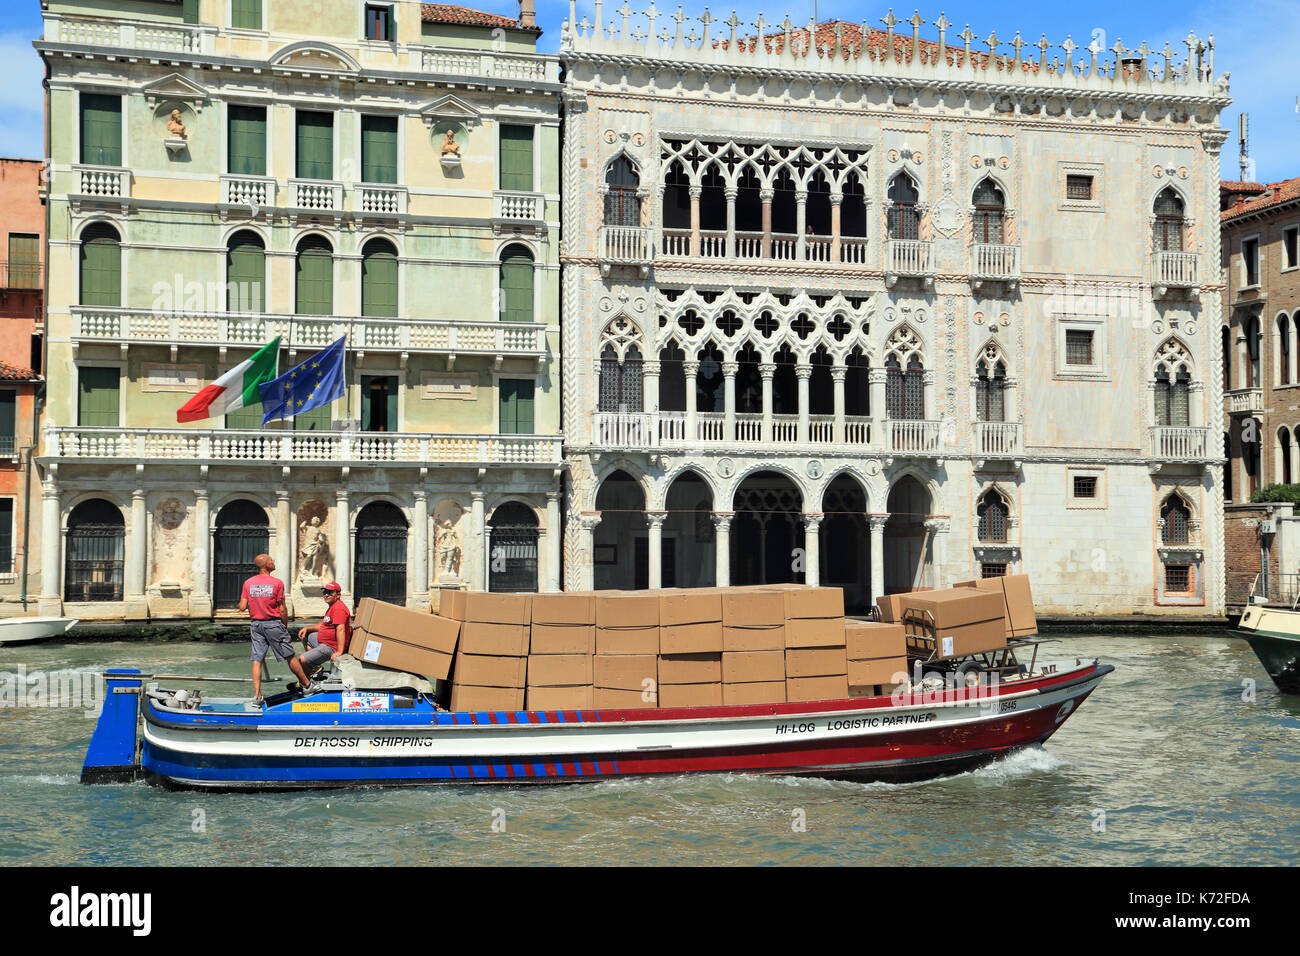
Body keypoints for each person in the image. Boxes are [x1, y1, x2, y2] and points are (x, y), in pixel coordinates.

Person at [238, 553, 311, 704]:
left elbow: (242, 606)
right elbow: (282, 609)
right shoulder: (277, 583)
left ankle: (257, 695)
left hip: (256, 625)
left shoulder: (248, 583)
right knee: (289, 655)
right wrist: (284, 626)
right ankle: (307, 685)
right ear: (265, 565)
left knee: (257, 659)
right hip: (273, 623)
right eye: (271, 560)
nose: (273, 561)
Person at [294, 582, 351, 692]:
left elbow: (340, 629)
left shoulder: (338, 608)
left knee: (302, 660)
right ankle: (314, 668)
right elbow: (325, 624)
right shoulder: (332, 607)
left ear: (338, 595)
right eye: (325, 592)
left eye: (330, 592)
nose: (326, 595)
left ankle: (307, 685)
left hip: (330, 646)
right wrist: (308, 628)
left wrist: (339, 651)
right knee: (307, 635)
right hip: (324, 642)